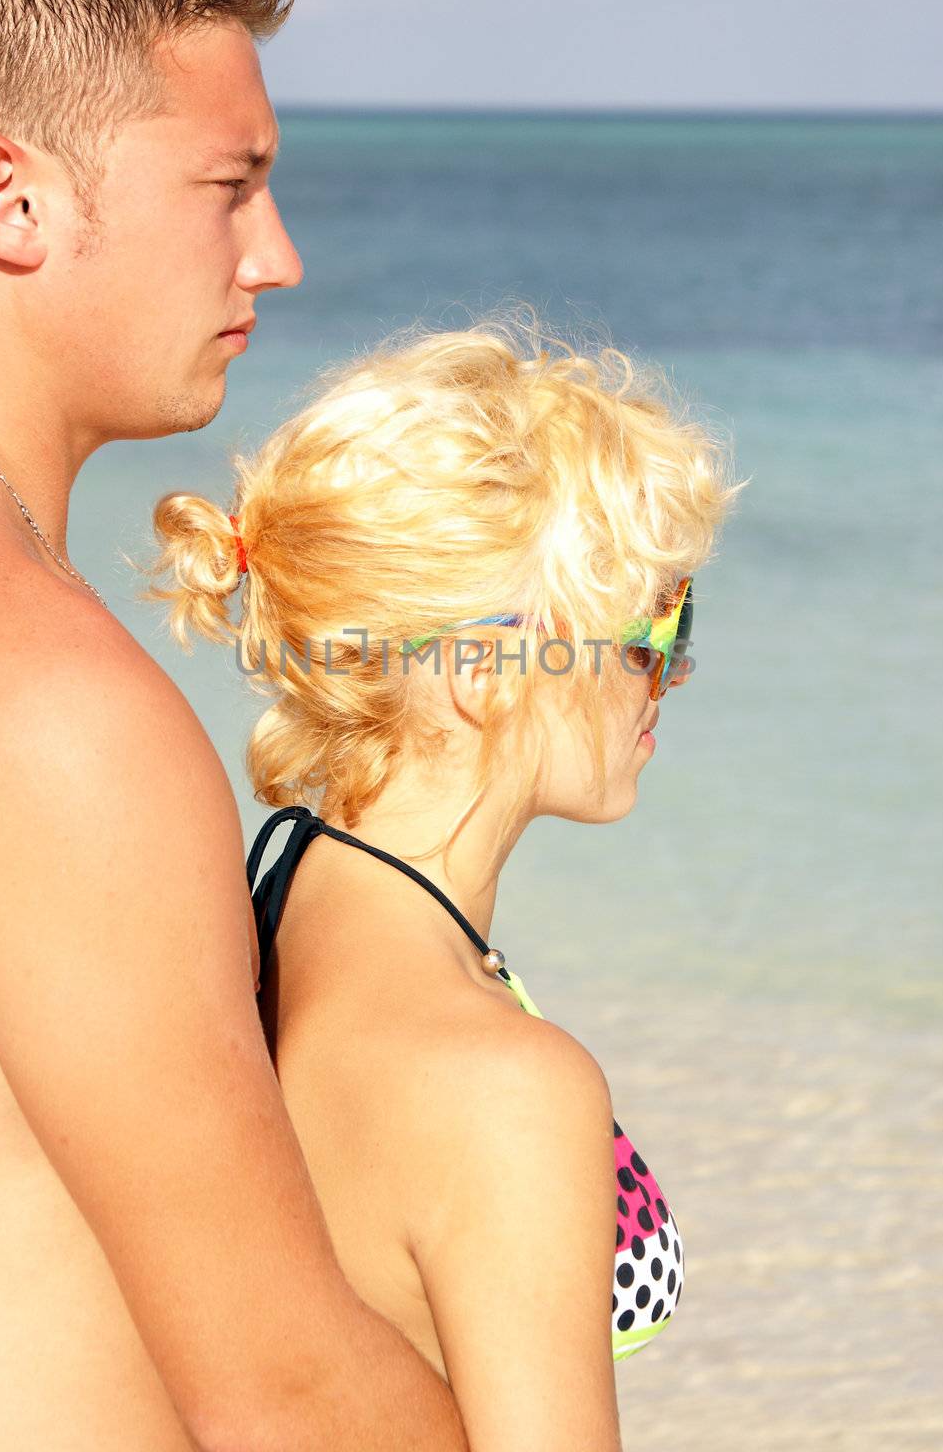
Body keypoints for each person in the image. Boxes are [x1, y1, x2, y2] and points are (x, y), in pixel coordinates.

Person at [0, 0, 468, 1449]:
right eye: (228, 187)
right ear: (7, 199)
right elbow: (284, 1391)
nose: (277, 257)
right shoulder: (37, 698)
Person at [147, 321, 745, 1451]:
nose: (671, 671)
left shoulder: (281, 890)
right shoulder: (506, 1083)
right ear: (478, 667)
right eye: (648, 630)